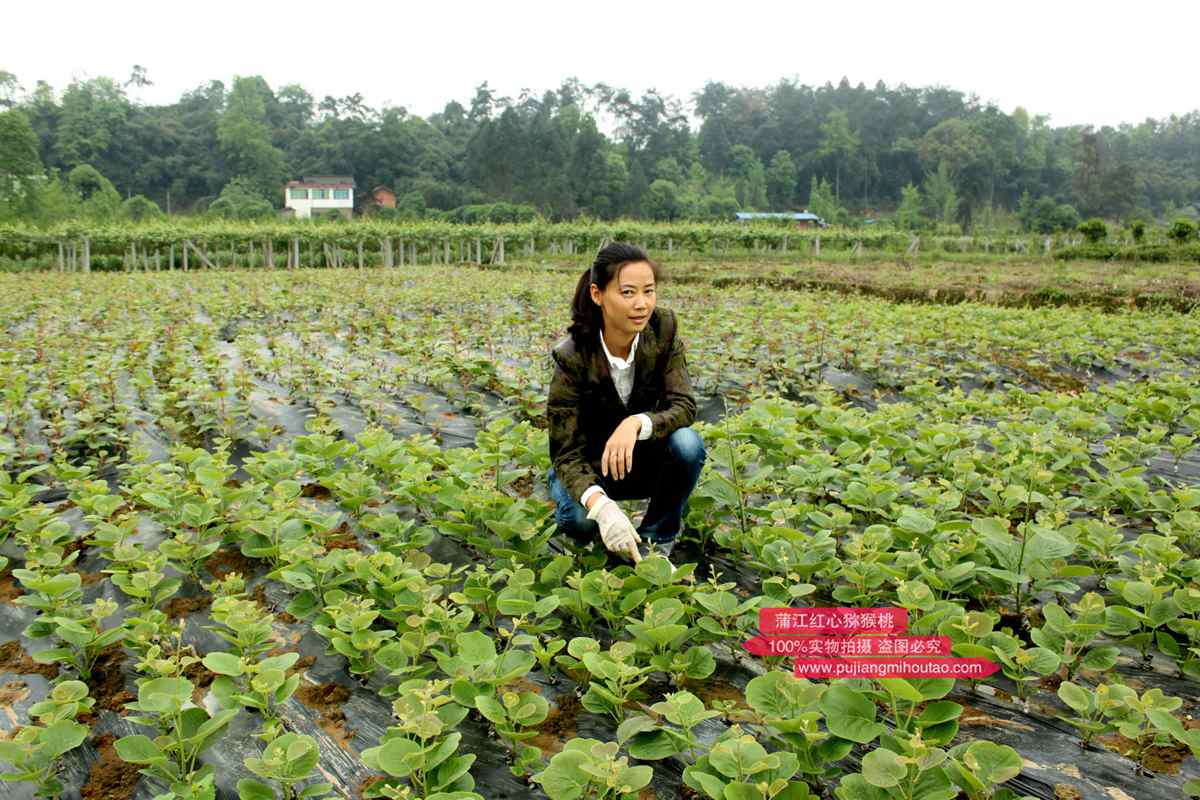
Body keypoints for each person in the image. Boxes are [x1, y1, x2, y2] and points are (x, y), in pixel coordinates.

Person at [546, 241, 706, 565]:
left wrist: (637, 423)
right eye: (628, 293)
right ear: (597, 295)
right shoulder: (572, 356)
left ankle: (655, 540)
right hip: (590, 466)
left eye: (649, 291)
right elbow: (566, 452)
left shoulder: (663, 330)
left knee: (688, 444)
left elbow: (684, 404)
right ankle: (594, 529)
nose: (641, 304)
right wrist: (602, 509)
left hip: (639, 460)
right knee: (578, 521)